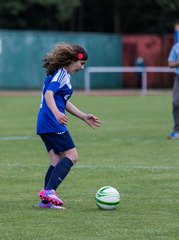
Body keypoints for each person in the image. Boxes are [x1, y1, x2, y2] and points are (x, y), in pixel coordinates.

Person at [36, 43, 102, 209]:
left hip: (45, 122)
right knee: (72, 155)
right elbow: (49, 95)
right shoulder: (60, 74)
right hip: (52, 122)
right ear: (73, 59)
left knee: (56, 160)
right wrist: (57, 114)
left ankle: (46, 201)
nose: (82, 67)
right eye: (82, 63)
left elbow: (62, 101)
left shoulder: (64, 74)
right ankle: (49, 191)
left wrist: (83, 116)